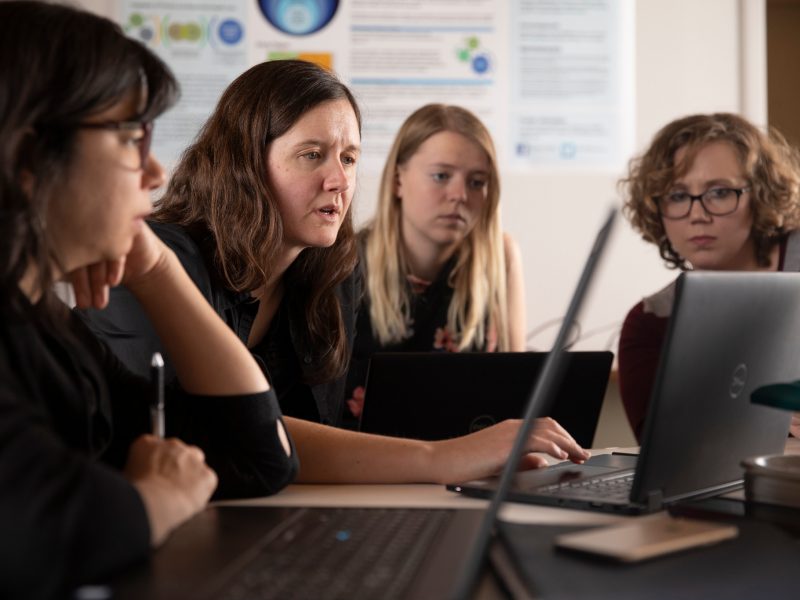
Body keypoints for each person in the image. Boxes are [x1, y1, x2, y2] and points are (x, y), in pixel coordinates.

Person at [81, 59, 590, 486]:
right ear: (243, 164)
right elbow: (221, 439)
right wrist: (443, 457)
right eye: (311, 155)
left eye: (349, 158)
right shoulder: (158, 261)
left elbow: (305, 439)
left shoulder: (331, 272)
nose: (339, 181)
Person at [0, 3, 297, 597]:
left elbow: (258, 456)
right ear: (31, 158)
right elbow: (32, 534)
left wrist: (156, 267)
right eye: (133, 139)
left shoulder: (48, 331)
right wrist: (155, 499)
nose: (156, 171)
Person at [618, 112, 800, 442]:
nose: (698, 215)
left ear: (759, 195)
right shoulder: (650, 322)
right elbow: (665, 457)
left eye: (719, 193)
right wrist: (766, 421)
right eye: (677, 196)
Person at [344, 104, 526, 418]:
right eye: (441, 176)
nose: (459, 195)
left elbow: (516, 396)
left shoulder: (500, 256)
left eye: (477, 182)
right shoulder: (343, 260)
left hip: (473, 462)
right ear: (398, 180)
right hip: (366, 462)